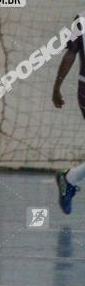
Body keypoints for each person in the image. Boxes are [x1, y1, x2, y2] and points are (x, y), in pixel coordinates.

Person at [51, 12, 85, 214]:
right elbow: (70, 54)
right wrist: (57, 87)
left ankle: (70, 178)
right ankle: (70, 178)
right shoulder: (81, 21)